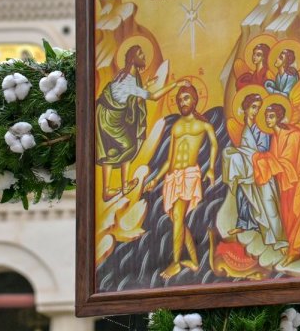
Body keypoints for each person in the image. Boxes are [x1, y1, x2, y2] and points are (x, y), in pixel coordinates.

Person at [142, 83, 218, 279]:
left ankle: (175, 263)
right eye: (179, 100)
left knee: (178, 216)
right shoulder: (176, 126)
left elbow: (213, 144)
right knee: (178, 220)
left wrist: (210, 168)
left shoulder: (203, 125)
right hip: (172, 177)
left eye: (186, 98)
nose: (182, 102)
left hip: (189, 175)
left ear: (194, 100)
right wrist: (156, 179)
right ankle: (194, 261)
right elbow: (169, 159)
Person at [95, 44, 180, 200]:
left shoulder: (126, 74)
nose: (144, 57)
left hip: (109, 114)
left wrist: (145, 86)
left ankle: (117, 187)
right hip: (110, 117)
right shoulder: (129, 80)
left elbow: (130, 98)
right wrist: (175, 84)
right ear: (133, 59)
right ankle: (114, 188)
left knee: (113, 150)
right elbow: (153, 97)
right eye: (141, 54)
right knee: (128, 145)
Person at [252, 102, 300, 268]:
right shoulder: (275, 138)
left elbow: (285, 161)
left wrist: (262, 159)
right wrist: (263, 160)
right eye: (266, 117)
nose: (268, 120)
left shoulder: (291, 134)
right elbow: (279, 165)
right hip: (291, 177)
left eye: (271, 116)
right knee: (289, 213)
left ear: (278, 117)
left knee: (299, 209)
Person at [222, 92, 283, 246]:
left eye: (258, 108)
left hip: (260, 169)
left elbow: (262, 150)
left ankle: (268, 232)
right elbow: (245, 148)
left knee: (265, 203)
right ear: (246, 108)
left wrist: (242, 154)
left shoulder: (261, 129)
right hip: (248, 168)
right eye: (253, 107)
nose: (255, 111)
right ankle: (244, 224)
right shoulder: (245, 128)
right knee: (242, 193)